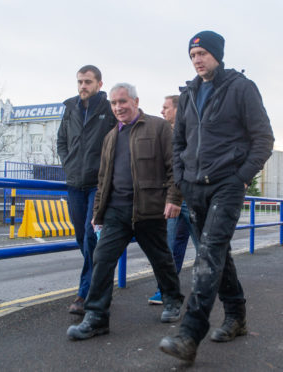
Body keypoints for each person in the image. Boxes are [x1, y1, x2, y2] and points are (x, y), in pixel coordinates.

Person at [159, 31, 274, 363]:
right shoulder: (190, 93)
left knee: (208, 255)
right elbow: (178, 142)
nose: (197, 59)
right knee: (216, 253)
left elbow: (263, 138)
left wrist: (240, 178)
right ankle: (236, 316)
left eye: (203, 53)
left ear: (217, 55)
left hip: (226, 184)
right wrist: (180, 178)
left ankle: (189, 333)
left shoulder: (240, 88)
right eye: (193, 55)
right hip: (194, 186)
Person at [67, 83, 184, 340]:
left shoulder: (158, 127)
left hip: (150, 210)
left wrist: (174, 198)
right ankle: (96, 317)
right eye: (113, 103)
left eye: (123, 101)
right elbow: (103, 180)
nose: (118, 107)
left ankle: (173, 300)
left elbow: (175, 165)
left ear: (135, 101)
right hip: (116, 212)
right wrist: (97, 214)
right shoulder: (110, 137)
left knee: (161, 259)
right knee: (102, 260)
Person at [57, 65, 116, 315]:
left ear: (99, 84)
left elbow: (119, 139)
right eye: (80, 81)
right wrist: (68, 162)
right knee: (82, 239)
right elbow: (61, 141)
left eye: (88, 82)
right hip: (74, 183)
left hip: (98, 183)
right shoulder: (70, 108)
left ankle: (85, 294)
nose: (83, 86)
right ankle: (100, 279)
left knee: (91, 237)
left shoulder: (108, 108)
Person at [148, 95, 200, 305]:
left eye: (166, 107)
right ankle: (165, 290)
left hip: (192, 197)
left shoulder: (192, 131)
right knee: (169, 246)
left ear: (178, 110)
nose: (162, 111)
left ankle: (205, 287)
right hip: (171, 197)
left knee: (204, 247)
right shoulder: (164, 132)